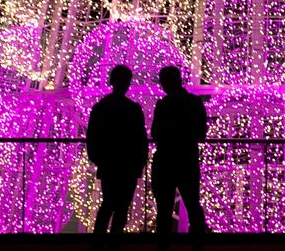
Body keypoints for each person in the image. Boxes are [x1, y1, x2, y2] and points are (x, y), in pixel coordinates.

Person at [85, 65, 148, 250]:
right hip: (127, 165)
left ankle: (98, 243)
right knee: (121, 206)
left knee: (108, 204)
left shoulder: (101, 108)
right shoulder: (133, 109)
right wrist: (139, 163)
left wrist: (98, 158)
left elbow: (93, 136)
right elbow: (141, 139)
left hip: (109, 164)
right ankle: (114, 243)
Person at [150, 65, 208, 249]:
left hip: (166, 161)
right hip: (187, 159)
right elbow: (201, 133)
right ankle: (198, 244)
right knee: (193, 204)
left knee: (164, 209)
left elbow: (155, 133)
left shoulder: (163, 104)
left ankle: (163, 246)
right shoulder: (194, 102)